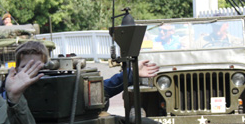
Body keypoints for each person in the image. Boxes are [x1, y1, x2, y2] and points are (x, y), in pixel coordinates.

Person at [12, 40, 159, 100]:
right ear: (16, 69)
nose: (30, 71)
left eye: (36, 66)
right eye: (25, 67)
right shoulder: (7, 94)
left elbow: (103, 89)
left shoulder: (57, 89)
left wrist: (132, 73)